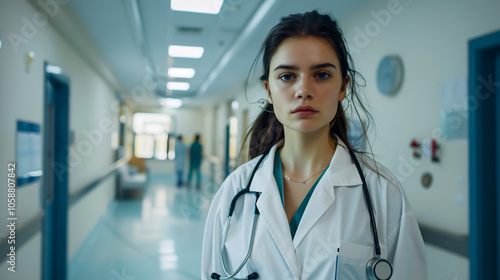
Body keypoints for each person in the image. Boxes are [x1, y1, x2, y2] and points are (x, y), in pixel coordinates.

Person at [201, 10, 426, 280]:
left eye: (321, 75)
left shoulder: (383, 193)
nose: (303, 90)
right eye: (287, 76)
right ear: (268, 90)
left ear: (343, 87)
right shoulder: (234, 192)